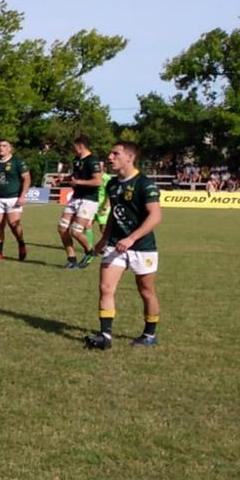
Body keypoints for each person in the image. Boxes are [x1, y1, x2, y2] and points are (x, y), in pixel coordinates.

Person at [85, 141, 162, 350]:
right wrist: (103, 239)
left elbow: (156, 216)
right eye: (110, 153)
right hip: (115, 245)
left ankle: (149, 334)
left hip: (142, 246)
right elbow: (114, 213)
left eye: (115, 153)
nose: (110, 157)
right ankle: (105, 336)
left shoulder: (144, 184)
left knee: (146, 291)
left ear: (130, 157)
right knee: (105, 288)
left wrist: (131, 238)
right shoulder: (112, 185)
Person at [0, 139, 30, 261]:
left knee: (14, 224)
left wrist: (22, 195)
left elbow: (27, 178)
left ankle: (21, 243)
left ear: (10, 148)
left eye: (4, 146)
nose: (1, 148)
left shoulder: (17, 162)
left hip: (13, 198)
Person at [59, 136, 102, 269]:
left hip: (88, 199)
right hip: (76, 198)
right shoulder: (77, 160)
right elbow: (76, 175)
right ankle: (71, 259)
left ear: (80, 146)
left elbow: (98, 181)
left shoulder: (92, 160)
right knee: (62, 228)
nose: (73, 149)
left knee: (76, 231)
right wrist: (63, 178)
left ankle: (90, 251)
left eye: (74, 146)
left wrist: (78, 182)